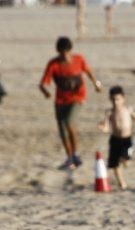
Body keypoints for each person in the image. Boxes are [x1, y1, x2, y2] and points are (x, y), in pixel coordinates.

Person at [39, 36, 102, 170]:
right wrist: (46, 92)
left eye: (67, 53)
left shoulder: (79, 60)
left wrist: (97, 84)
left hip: (78, 97)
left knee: (69, 121)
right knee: (62, 130)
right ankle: (70, 158)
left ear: (71, 51)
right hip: (61, 100)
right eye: (62, 54)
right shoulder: (54, 64)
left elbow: (89, 72)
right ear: (58, 52)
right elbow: (43, 83)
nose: (65, 56)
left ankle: (76, 154)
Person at [98, 85, 135, 190]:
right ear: (110, 99)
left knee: (125, 160)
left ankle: (126, 160)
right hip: (115, 139)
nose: (115, 102)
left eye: (118, 99)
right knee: (114, 163)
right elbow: (107, 125)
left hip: (127, 139)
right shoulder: (109, 112)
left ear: (123, 98)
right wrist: (104, 128)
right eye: (113, 100)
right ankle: (122, 183)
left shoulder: (128, 109)